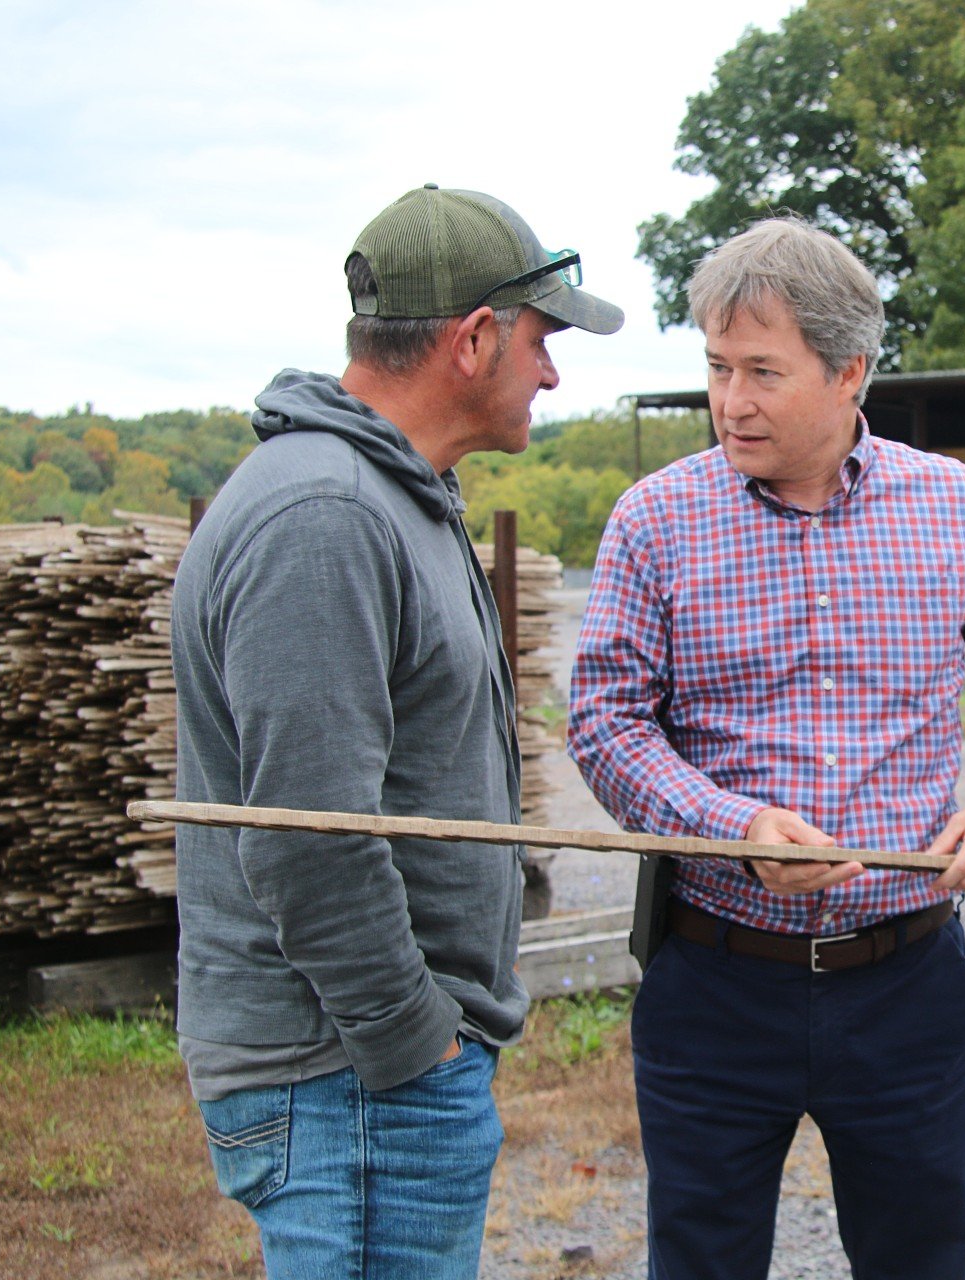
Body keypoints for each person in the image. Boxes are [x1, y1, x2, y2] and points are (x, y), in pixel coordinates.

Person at [567, 217, 965, 1280]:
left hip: (908, 983)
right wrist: (732, 826)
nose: (731, 400)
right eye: (716, 367)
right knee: (698, 1261)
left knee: (924, 1260)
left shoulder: (955, 505)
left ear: (849, 372)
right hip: (714, 977)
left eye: (763, 370)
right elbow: (606, 720)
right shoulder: (654, 520)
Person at [171, 184, 623, 1278]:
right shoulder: (322, 518)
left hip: (366, 1078)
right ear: (472, 340)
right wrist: (414, 1046)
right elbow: (308, 837)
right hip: (354, 1081)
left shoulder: (391, 494)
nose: (554, 372)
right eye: (540, 338)